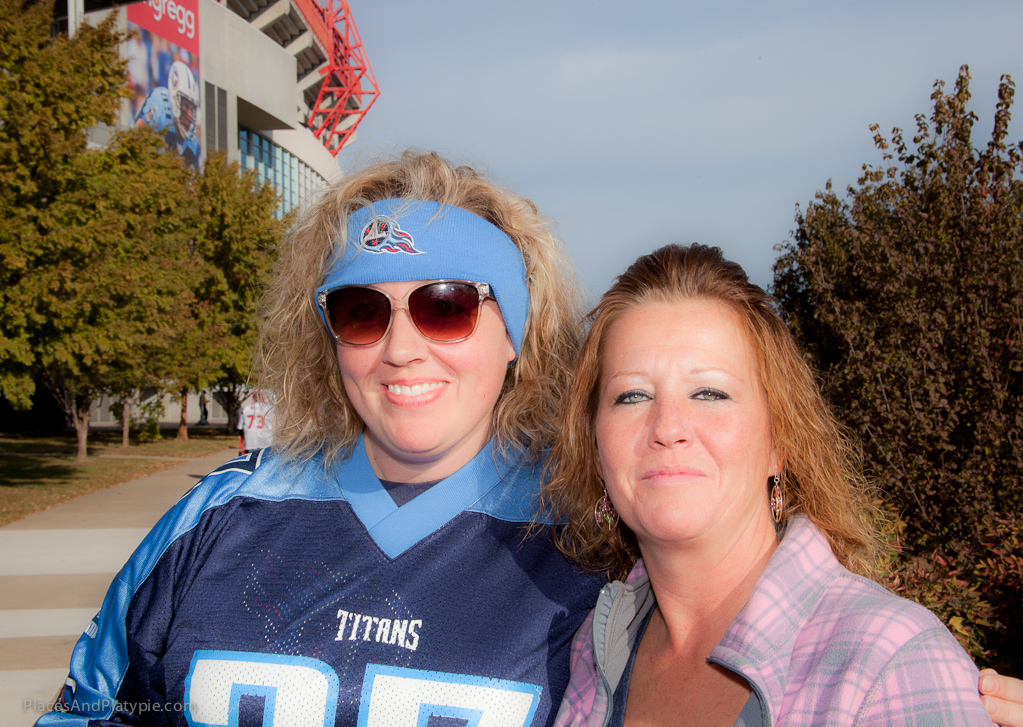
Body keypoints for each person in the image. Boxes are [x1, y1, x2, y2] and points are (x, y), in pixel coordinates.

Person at [38, 152, 603, 726]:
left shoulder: (589, 539)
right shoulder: (219, 514)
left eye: (445, 307)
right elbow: (96, 711)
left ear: (513, 332)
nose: (401, 351)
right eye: (361, 312)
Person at [544, 243, 1015, 726]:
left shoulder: (888, 662)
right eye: (632, 395)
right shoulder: (590, 655)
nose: (667, 426)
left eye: (710, 392)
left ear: (779, 442)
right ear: (596, 451)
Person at [133, 59, 200, 168]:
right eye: (186, 106)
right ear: (174, 99)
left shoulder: (192, 142)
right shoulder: (159, 105)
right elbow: (134, 136)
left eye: (191, 109)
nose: (189, 115)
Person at [236, 389, 274, 454]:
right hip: (266, 440)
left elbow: (240, 427)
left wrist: (240, 437)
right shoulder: (270, 409)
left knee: (252, 462)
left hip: (250, 440)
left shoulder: (246, 408)